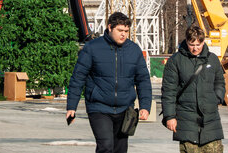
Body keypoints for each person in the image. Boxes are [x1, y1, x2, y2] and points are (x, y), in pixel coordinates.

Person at [66, 11, 151, 153]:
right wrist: (71, 107)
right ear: (110, 27)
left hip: (125, 108)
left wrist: (145, 106)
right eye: (120, 30)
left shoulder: (134, 50)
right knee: (105, 146)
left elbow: (143, 80)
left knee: (120, 149)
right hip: (99, 107)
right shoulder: (92, 48)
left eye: (126, 31)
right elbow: (78, 77)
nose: (123, 34)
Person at [162, 24, 224, 153]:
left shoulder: (212, 59)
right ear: (186, 41)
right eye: (191, 44)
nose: (195, 48)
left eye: (198, 45)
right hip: (186, 119)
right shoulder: (175, 61)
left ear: (203, 42)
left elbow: (219, 82)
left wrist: (216, 98)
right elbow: (169, 91)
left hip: (210, 120)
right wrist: (170, 116)